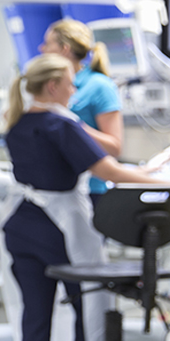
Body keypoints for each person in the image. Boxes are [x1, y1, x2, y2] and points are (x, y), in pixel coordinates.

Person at [2, 53, 170, 341]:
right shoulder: (63, 125)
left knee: (35, 320)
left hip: (21, 227)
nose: (75, 90)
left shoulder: (18, 122)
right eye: (72, 83)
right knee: (91, 310)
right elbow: (112, 172)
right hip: (60, 230)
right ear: (54, 86)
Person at [39, 19, 123, 205]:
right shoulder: (51, 85)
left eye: (48, 43)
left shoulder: (99, 86)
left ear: (65, 49)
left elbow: (114, 146)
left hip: (88, 191)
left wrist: (73, 127)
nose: (41, 48)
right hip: (51, 188)